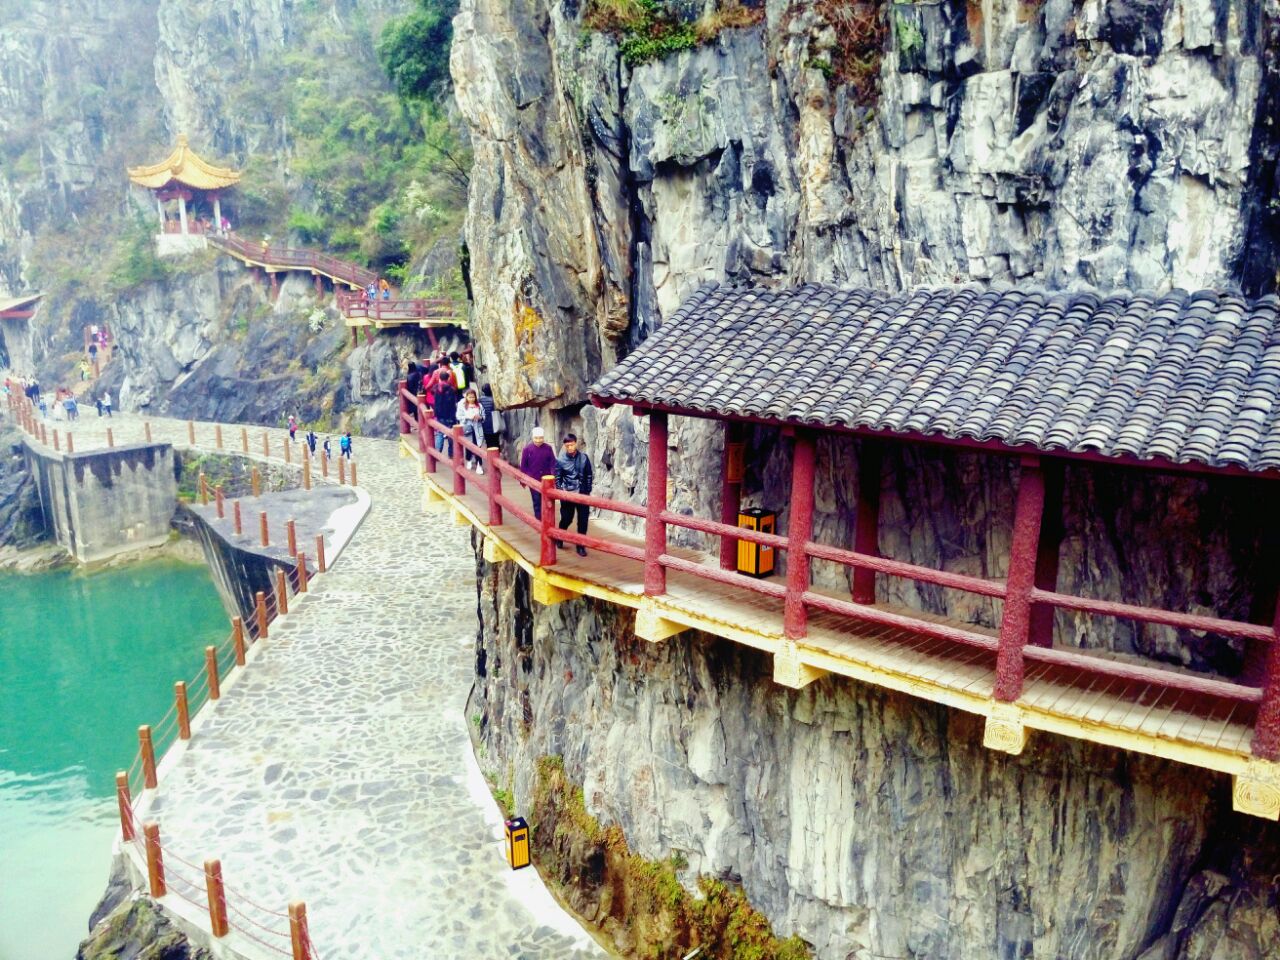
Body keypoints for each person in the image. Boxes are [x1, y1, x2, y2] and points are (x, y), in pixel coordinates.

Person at [555, 433, 593, 556]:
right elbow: (557, 478)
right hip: (568, 494)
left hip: (582, 494)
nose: (570, 447)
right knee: (567, 519)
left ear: (576, 443)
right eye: (567, 446)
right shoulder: (560, 460)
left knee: (583, 521)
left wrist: (587, 491)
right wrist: (562, 491)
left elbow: (588, 475)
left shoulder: (584, 458)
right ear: (565, 446)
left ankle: (580, 545)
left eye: (572, 445)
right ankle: (559, 536)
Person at [519, 426, 558, 520]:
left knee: (547, 501)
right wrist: (523, 480)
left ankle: (547, 519)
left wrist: (553, 476)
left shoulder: (548, 448)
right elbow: (524, 466)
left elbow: (552, 462)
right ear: (532, 438)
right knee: (536, 501)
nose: (538, 440)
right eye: (536, 438)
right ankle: (539, 521)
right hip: (533, 480)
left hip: (547, 480)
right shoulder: (527, 449)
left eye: (541, 438)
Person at [431, 368, 458, 455]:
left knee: (439, 433)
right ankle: (451, 453)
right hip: (450, 415)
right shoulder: (451, 389)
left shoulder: (435, 388)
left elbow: (431, 392)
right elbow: (453, 402)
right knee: (451, 434)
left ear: (440, 378)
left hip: (439, 414)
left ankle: (438, 453)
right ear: (448, 378)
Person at [460, 389, 485, 473]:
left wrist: (480, 417)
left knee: (478, 447)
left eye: (473, 397)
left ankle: (479, 465)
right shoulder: (463, 406)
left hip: (478, 428)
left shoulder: (479, 406)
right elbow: (459, 417)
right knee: (469, 446)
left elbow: (484, 416)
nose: (471, 399)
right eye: (470, 397)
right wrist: (468, 417)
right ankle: (469, 460)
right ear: (466, 397)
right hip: (468, 428)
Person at [480, 384, 500, 448]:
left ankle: (490, 454)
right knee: (496, 441)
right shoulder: (494, 399)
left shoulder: (480, 399)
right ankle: (497, 454)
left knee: (488, 441)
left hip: (485, 422)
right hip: (495, 422)